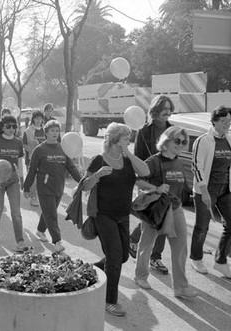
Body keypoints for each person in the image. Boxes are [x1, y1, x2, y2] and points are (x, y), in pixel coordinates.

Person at [82, 122, 150, 317]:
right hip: (103, 215)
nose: (129, 141)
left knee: (122, 257)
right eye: (125, 138)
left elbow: (145, 172)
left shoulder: (128, 160)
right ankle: (109, 300)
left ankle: (90, 269)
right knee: (114, 256)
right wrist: (97, 175)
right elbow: (84, 187)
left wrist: (128, 152)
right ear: (114, 139)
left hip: (123, 214)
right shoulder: (98, 160)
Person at [133, 126, 199, 299]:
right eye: (177, 140)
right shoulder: (154, 161)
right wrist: (156, 188)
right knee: (147, 245)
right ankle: (140, 276)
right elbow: (137, 179)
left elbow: (180, 185)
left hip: (175, 209)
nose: (181, 144)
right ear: (167, 141)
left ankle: (181, 287)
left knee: (180, 248)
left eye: (184, 142)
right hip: (157, 208)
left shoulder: (178, 161)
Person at [189, 106, 231, 279]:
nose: (226, 124)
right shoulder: (203, 140)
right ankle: (196, 258)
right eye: (223, 121)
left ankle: (220, 261)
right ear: (214, 121)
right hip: (206, 190)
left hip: (226, 190)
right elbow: (196, 166)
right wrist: (204, 192)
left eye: (229, 121)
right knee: (202, 227)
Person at [129, 95, 174, 275]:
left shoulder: (172, 129)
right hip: (149, 178)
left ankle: (155, 257)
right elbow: (138, 156)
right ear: (155, 111)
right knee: (152, 217)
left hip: (167, 178)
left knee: (162, 217)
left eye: (170, 109)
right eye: (165, 109)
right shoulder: (144, 131)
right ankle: (137, 243)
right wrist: (141, 181)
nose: (168, 113)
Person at [23, 120, 82, 253]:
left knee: (48, 212)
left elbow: (71, 168)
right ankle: (57, 241)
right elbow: (32, 170)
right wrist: (26, 188)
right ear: (46, 133)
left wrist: (82, 181)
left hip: (58, 188)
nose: (55, 133)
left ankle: (40, 230)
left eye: (57, 130)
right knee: (52, 215)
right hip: (44, 188)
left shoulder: (63, 148)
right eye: (52, 130)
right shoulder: (39, 150)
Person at [0, 115, 30, 252]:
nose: (11, 129)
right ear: (2, 127)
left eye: (14, 126)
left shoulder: (18, 142)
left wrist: (22, 178)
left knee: (16, 213)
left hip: (13, 181)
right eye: (8, 126)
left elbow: (20, 162)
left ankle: (20, 241)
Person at [22, 110, 47, 207]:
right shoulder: (27, 131)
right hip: (31, 158)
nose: (38, 120)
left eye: (40, 118)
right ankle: (33, 197)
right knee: (32, 178)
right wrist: (32, 150)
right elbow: (24, 145)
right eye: (37, 118)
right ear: (33, 119)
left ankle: (40, 195)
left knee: (42, 178)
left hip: (44, 159)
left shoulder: (45, 130)